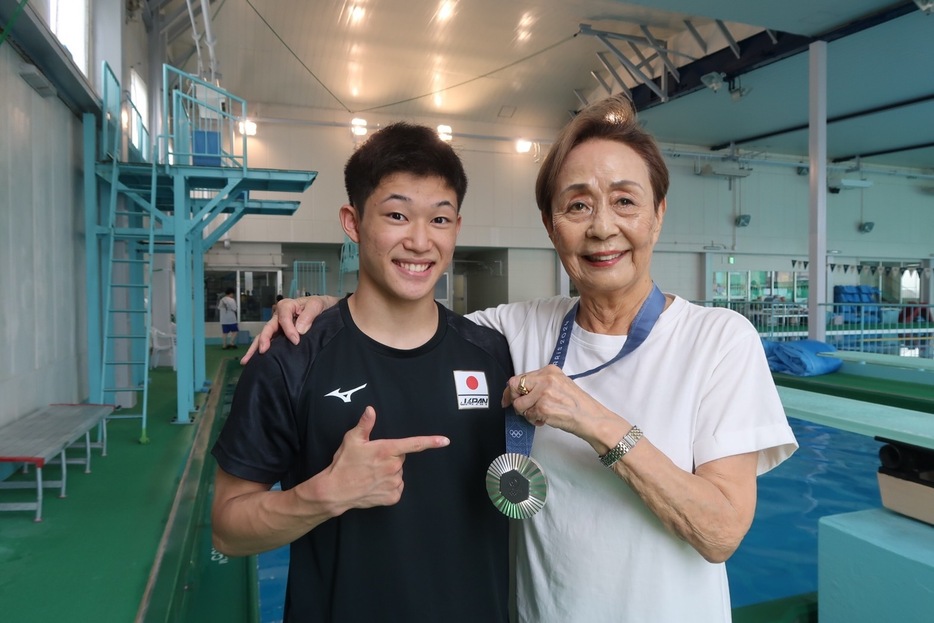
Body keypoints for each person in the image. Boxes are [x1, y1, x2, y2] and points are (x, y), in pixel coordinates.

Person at [246, 94, 799, 622]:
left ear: (657, 214)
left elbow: (721, 533)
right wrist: (323, 309)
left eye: (625, 201)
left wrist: (595, 421)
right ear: (551, 226)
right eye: (577, 205)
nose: (602, 227)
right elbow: (402, 319)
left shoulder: (718, 339)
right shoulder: (515, 330)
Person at [211, 122, 512, 622]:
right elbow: (227, 527)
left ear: (456, 229)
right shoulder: (290, 359)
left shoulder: (493, 353)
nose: (419, 241)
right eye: (397, 215)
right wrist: (321, 495)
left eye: (439, 220)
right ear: (352, 222)